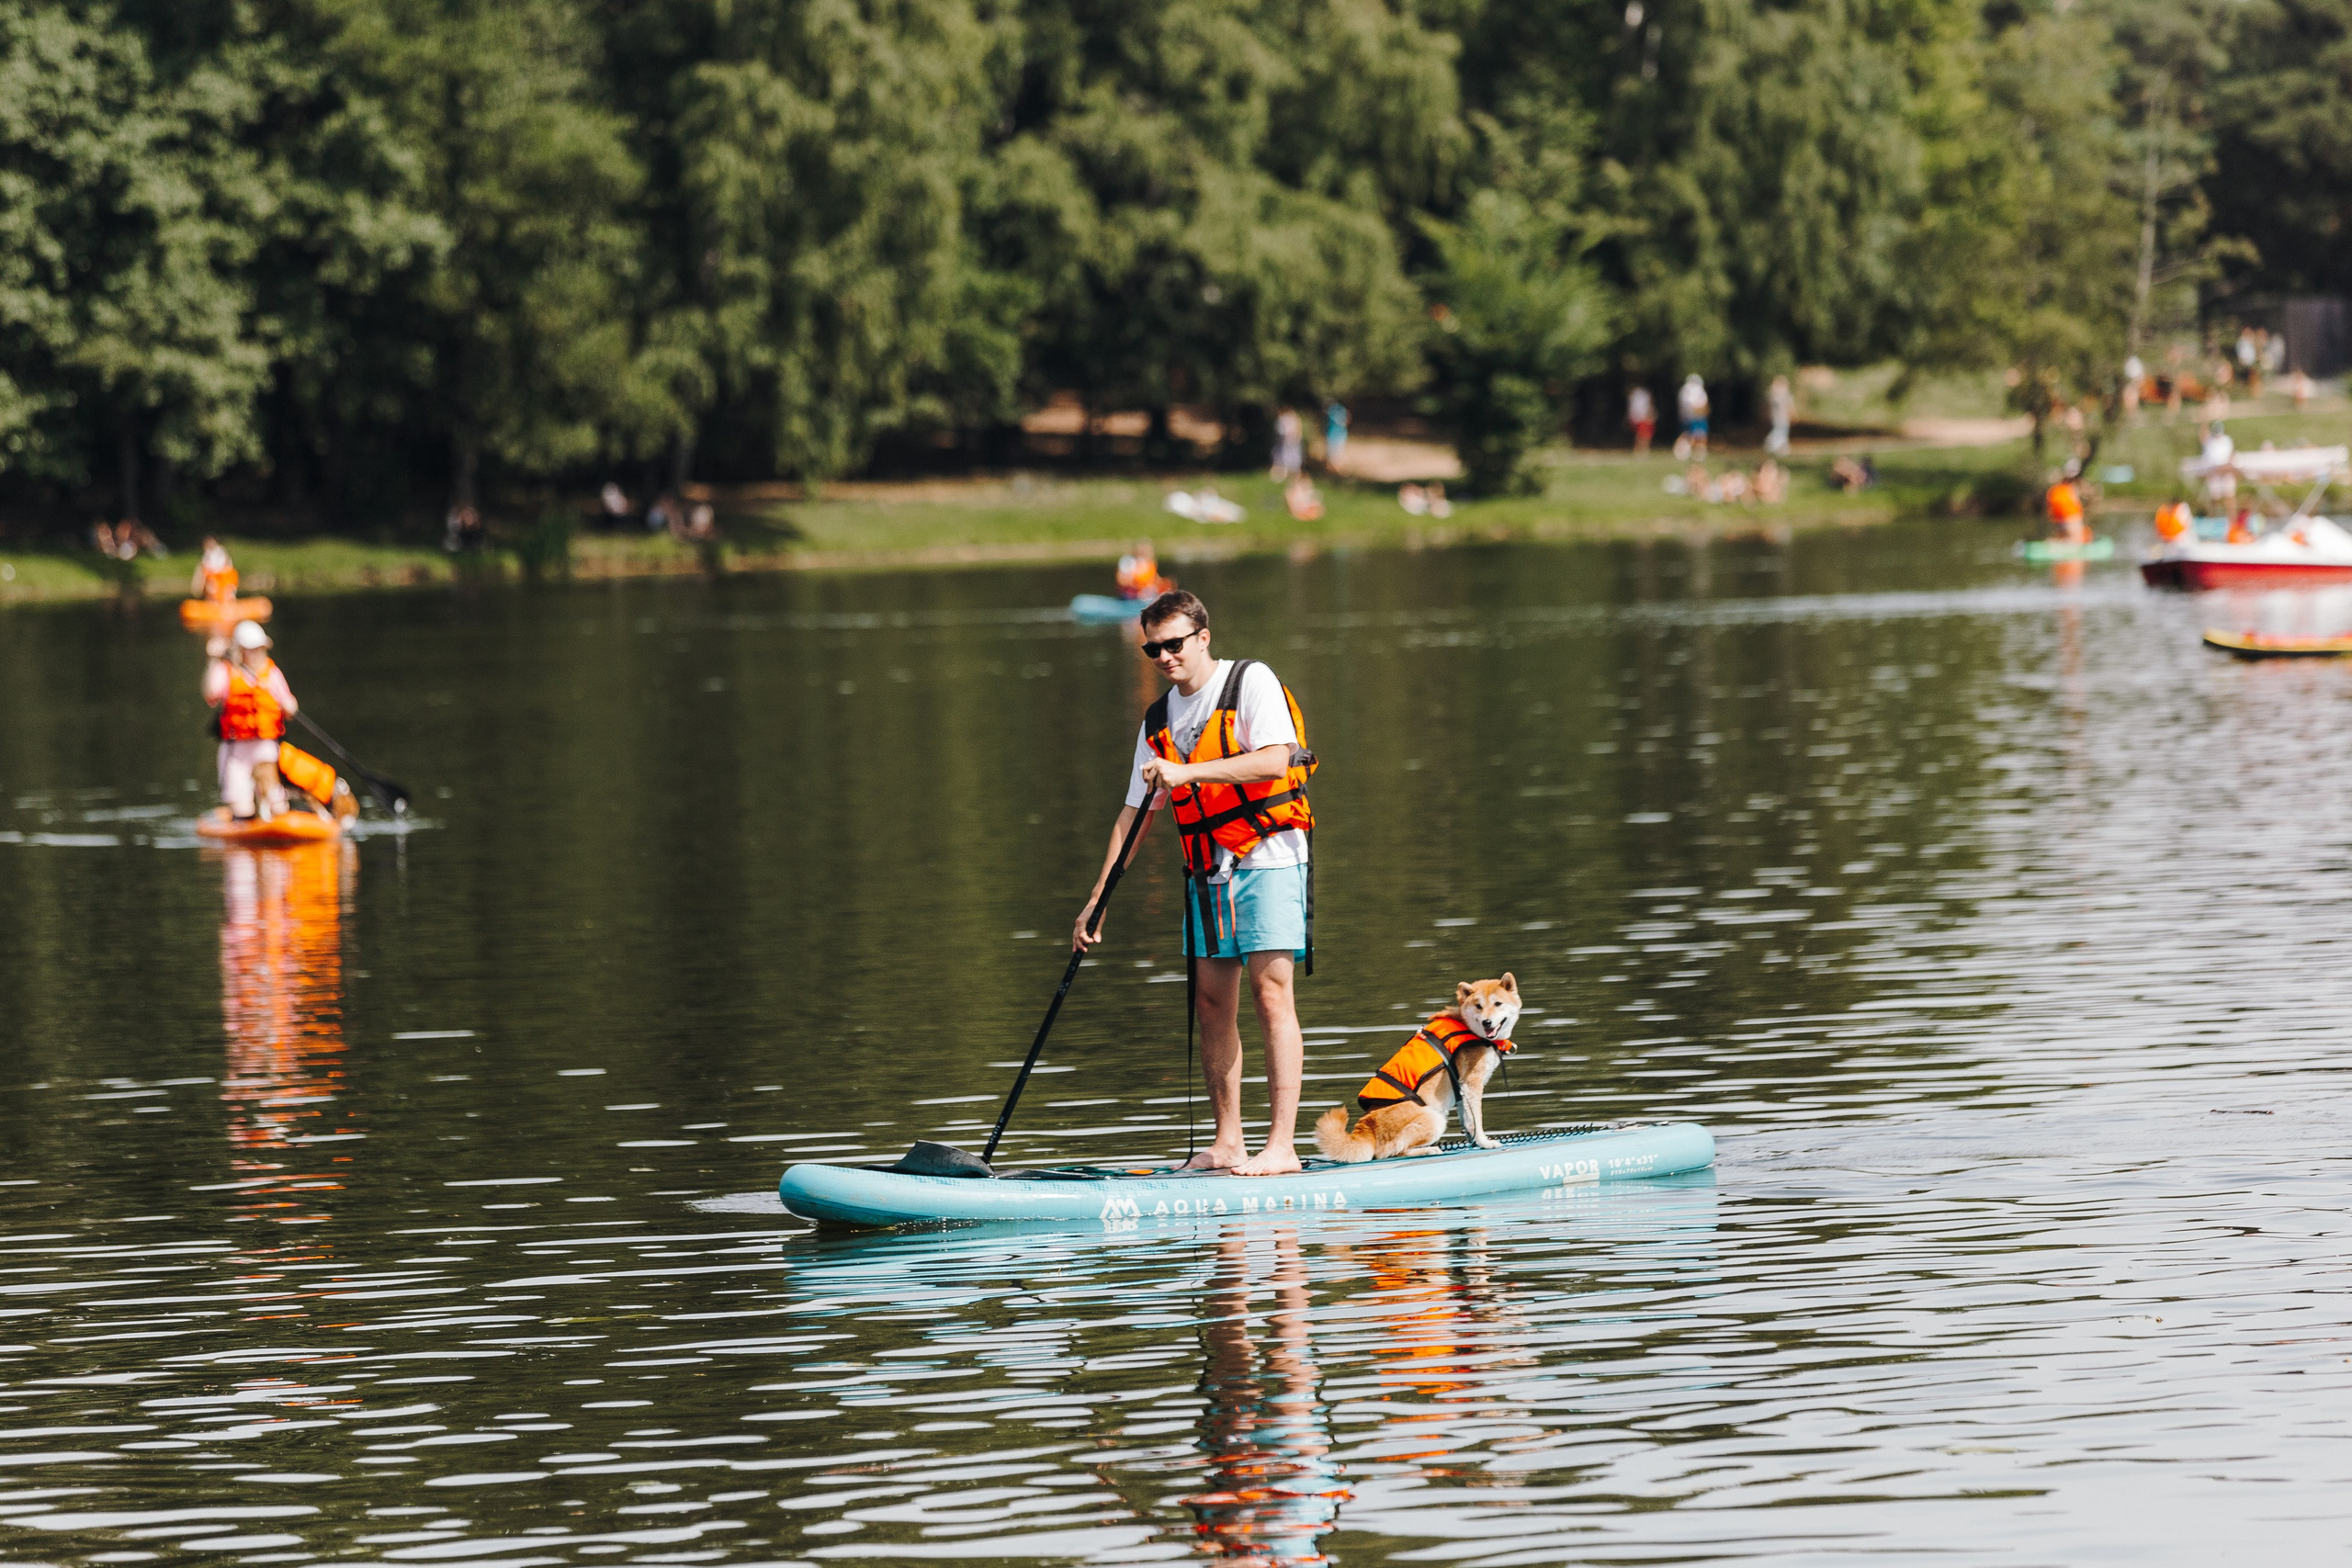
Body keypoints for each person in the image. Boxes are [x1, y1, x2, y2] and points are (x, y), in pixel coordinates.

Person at [1075, 590, 1316, 1177]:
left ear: (1203, 637)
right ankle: (1228, 1143)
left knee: (1271, 994)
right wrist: (1097, 900)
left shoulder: (1250, 682)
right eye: (1153, 648)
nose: (1164, 657)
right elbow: (1135, 813)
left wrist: (1188, 772)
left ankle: (1281, 1147)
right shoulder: (1158, 719)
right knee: (1211, 1004)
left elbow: (1274, 760)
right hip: (1206, 870)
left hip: (1268, 857)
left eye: (1174, 644)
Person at [204, 621, 299, 821]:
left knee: (278, 806)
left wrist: (290, 705)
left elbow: (289, 705)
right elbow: (211, 695)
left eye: (259, 648)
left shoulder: (271, 672)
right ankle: (243, 820)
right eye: (250, 649)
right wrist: (213, 659)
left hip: (266, 748)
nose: (255, 653)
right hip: (236, 750)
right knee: (243, 811)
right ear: (239, 650)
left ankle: (275, 819)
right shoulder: (225, 670)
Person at [191, 536, 238, 602]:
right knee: (211, 587)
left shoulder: (221, 552)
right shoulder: (207, 554)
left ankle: (227, 601)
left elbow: (228, 565)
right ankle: (212, 601)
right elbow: (202, 569)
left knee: (226, 589)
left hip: (223, 576)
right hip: (213, 576)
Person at [1677, 373, 1710, 458]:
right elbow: (1692, 405)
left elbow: (1704, 405)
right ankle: (1684, 452)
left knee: (1698, 436)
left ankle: (1698, 454)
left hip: (1696, 417)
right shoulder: (1688, 390)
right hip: (1693, 417)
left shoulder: (1688, 390)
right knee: (1692, 436)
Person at [1271, 408, 1305, 481]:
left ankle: (1295, 475)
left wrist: (1296, 437)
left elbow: (1298, 429)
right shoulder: (1285, 419)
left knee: (1294, 459)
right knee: (1285, 458)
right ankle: (1285, 474)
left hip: (1292, 440)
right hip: (1286, 441)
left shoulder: (1292, 419)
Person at [1765, 374, 1793, 457]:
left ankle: (1782, 448)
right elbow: (1789, 406)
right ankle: (1773, 445)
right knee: (1780, 432)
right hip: (1781, 418)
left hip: (1778, 418)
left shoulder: (1774, 395)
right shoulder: (1783, 395)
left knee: (1781, 432)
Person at [1626, 385, 1657, 455]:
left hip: (1639, 416)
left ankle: (1641, 449)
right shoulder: (1643, 394)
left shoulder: (1636, 394)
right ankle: (1640, 449)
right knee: (1642, 435)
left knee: (1643, 434)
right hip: (1641, 416)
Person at [1323, 400, 1349, 472]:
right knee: (1333, 454)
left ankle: (1337, 469)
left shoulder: (1333, 411)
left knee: (1335, 454)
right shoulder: (1340, 410)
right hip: (1335, 435)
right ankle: (1335, 469)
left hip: (1335, 435)